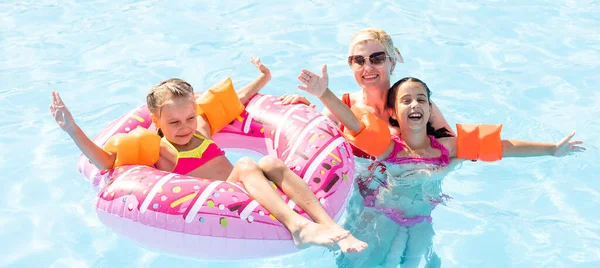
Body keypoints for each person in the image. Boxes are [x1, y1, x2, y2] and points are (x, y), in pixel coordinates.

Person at [50, 56, 367, 253]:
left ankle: (332, 226)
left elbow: (235, 101)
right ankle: (299, 228)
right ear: (155, 120)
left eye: (189, 118)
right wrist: (72, 129)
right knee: (246, 164)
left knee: (270, 162)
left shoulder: (200, 128)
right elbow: (105, 162)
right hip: (224, 202)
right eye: (173, 122)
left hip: (252, 189)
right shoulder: (157, 148)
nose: (185, 127)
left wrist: (264, 80)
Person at [298, 74, 585, 267]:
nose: (415, 105)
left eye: (421, 99)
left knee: (419, 261)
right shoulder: (390, 148)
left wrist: (551, 149)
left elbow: (501, 145)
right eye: (406, 100)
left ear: (429, 107)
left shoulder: (449, 149)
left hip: (422, 219)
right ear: (393, 114)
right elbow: (355, 123)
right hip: (382, 218)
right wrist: (324, 93)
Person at [280, 28, 454, 159]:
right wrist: (303, 112)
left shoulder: (417, 107)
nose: (368, 68)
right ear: (351, 66)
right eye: (359, 61)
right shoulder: (341, 107)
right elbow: (307, 143)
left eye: (377, 58)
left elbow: (454, 151)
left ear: (392, 63)